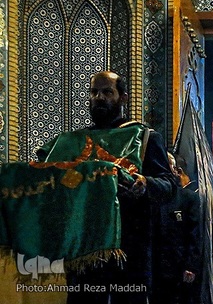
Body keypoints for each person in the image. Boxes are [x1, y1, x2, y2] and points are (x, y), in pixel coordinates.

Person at [37, 71, 178, 304]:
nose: (99, 98)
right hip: (85, 247)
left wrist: (144, 183)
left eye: (107, 92)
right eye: (94, 92)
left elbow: (169, 185)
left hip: (129, 246)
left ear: (123, 97)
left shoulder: (145, 137)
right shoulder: (73, 142)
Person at [151, 152, 202, 304]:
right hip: (153, 267)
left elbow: (194, 235)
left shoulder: (188, 198)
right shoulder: (149, 196)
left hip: (178, 269)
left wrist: (190, 266)